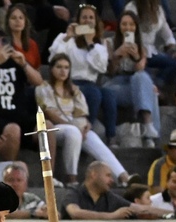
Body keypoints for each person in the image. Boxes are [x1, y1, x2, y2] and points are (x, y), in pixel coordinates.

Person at [36, 54, 131, 187]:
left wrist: (86, 125)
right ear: (51, 69)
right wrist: (75, 127)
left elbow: (81, 112)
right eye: (59, 67)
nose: (63, 71)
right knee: (73, 131)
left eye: (66, 68)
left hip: (74, 127)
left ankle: (123, 176)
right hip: (54, 127)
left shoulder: (74, 89)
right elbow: (49, 113)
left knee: (92, 136)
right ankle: (71, 178)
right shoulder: (43, 88)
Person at [48, 5, 118, 146]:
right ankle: (86, 130)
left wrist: (90, 42)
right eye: (84, 17)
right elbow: (53, 60)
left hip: (91, 83)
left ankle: (111, 136)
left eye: (91, 17)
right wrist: (68, 37)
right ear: (78, 20)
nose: (87, 20)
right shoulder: (65, 38)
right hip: (71, 82)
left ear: (95, 21)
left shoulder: (100, 44)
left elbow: (101, 67)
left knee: (109, 94)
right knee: (94, 93)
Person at [0, 27, 42, 155]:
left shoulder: (16, 62)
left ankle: (50, 168)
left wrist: (24, 64)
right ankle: (9, 167)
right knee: (13, 129)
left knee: (46, 126)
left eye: (1, 40)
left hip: (21, 116)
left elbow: (39, 83)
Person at [105, 11, 161, 145]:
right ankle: (151, 136)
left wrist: (136, 57)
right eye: (124, 24)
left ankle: (148, 127)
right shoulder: (109, 43)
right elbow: (109, 72)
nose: (128, 28)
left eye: (131, 24)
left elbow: (140, 69)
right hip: (115, 83)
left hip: (135, 82)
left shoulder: (142, 46)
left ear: (136, 27)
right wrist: (117, 55)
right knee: (150, 91)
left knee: (141, 79)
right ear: (119, 26)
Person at [62, 160, 161, 219]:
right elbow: (75, 213)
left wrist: (169, 213)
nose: (112, 180)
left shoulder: (109, 196)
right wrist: (112, 216)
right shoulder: (74, 191)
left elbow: (138, 208)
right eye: (108, 175)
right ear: (93, 174)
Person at [124, 0, 176, 87]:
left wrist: (173, 49)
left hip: (151, 52)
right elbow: (128, 38)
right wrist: (140, 56)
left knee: (175, 62)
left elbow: (167, 34)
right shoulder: (131, 8)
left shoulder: (158, 9)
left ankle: (158, 84)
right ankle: (153, 86)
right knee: (143, 74)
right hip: (135, 54)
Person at [5, 3, 41, 68]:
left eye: (21, 18)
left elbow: (37, 69)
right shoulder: (3, 44)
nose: (17, 20)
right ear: (8, 22)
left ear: (25, 22)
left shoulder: (32, 44)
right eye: (13, 18)